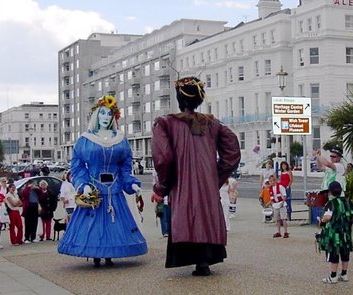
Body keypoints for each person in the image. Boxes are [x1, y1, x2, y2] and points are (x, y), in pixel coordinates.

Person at [152, 76, 241, 276]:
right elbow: (232, 150)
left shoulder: (166, 123)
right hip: (206, 184)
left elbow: (163, 158)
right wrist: (214, 176)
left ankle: (192, 258)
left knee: (185, 214)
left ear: (179, 98)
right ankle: (204, 261)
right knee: (204, 215)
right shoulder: (213, 124)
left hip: (182, 183)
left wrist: (162, 187)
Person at [58, 95, 147, 268]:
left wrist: (131, 183)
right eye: (103, 113)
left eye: (109, 114)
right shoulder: (85, 139)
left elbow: (125, 167)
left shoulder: (120, 139)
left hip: (114, 191)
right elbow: (77, 167)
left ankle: (109, 255)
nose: (106, 117)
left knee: (114, 223)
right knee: (94, 225)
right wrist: (83, 185)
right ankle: (95, 254)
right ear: (97, 115)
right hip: (94, 190)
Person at [318, 181, 353, 284]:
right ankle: (344, 274)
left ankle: (333, 276)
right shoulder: (348, 202)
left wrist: (321, 220)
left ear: (330, 192)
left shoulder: (331, 203)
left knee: (334, 253)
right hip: (346, 232)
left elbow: (328, 217)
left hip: (334, 233)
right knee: (345, 252)